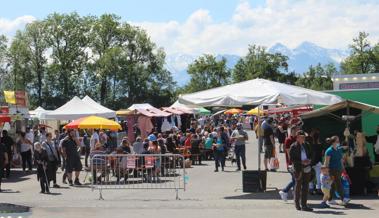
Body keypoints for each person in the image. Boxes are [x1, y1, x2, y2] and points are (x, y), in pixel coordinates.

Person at [289, 130, 313, 211]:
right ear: (297, 137)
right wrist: (301, 162)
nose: (303, 138)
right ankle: (297, 204)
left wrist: (309, 160)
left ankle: (304, 205)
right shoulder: (293, 146)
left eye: (304, 137)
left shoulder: (307, 145)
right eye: (301, 137)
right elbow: (292, 159)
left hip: (307, 167)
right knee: (298, 186)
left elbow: (311, 154)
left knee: (306, 186)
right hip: (298, 168)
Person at [324, 136, 349, 206]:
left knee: (333, 185)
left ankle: (330, 199)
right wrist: (326, 172)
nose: (339, 143)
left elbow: (341, 160)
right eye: (337, 141)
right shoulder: (329, 151)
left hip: (339, 169)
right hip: (332, 170)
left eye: (339, 141)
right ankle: (343, 198)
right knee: (338, 183)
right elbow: (326, 162)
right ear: (333, 142)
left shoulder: (339, 149)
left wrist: (343, 168)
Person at [279, 127, 297, 201]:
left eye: (296, 131)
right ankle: (284, 191)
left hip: (295, 162)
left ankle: (293, 194)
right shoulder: (288, 140)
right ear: (291, 131)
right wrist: (291, 162)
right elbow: (288, 152)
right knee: (295, 180)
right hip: (291, 163)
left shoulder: (296, 138)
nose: (296, 132)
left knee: (295, 180)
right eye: (295, 131)